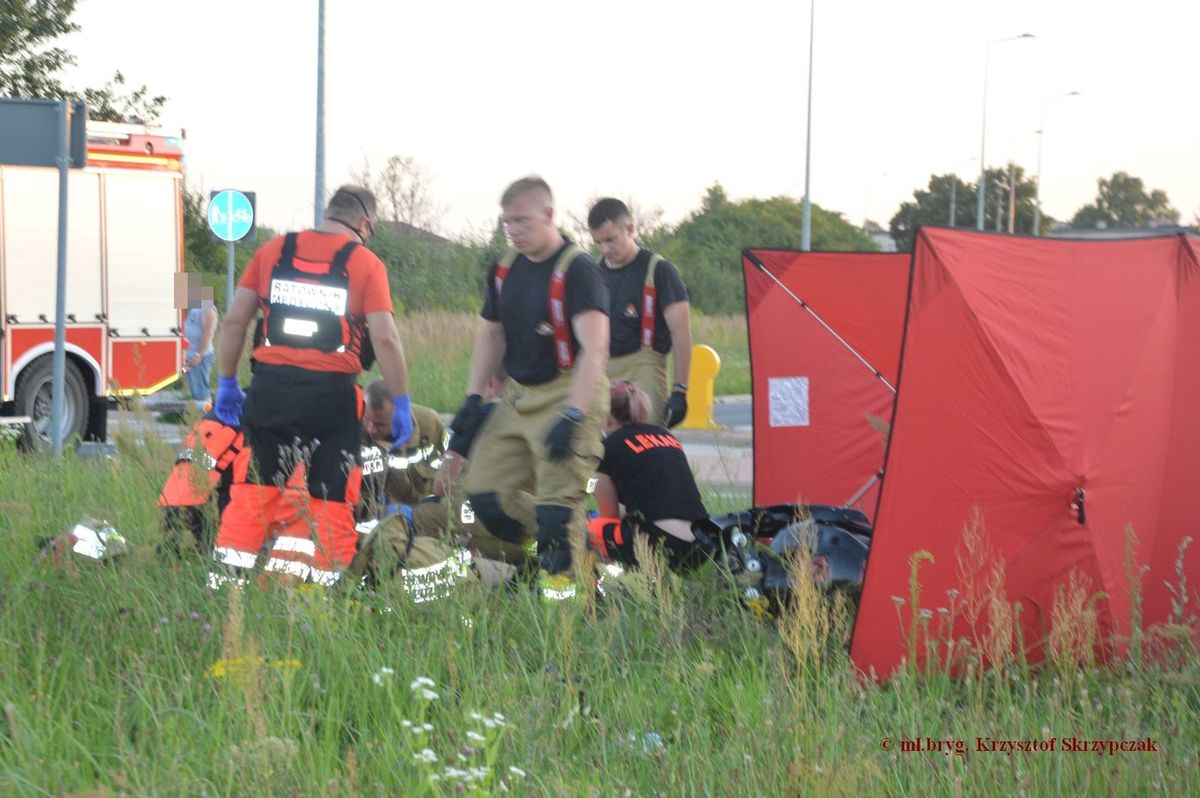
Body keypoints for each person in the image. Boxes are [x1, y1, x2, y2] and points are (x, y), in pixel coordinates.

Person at [208, 185, 413, 588]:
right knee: (329, 499)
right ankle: (318, 589)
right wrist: (401, 399)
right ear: (365, 224)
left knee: (254, 491)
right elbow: (385, 339)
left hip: (269, 393)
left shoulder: (272, 252)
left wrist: (228, 382)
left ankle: (228, 583)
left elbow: (235, 321)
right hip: (332, 397)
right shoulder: (365, 263)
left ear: (328, 214)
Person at [451, 177, 610, 599]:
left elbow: (595, 350)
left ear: (549, 215)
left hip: (570, 393)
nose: (514, 231)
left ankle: (567, 611)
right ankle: (578, 546)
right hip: (519, 397)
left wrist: (574, 415)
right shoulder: (505, 269)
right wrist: (472, 398)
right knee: (485, 496)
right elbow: (491, 336)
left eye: (522, 221)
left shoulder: (578, 269)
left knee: (557, 513)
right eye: (507, 223)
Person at [589, 380, 719, 572]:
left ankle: (607, 593)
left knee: (585, 528)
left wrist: (588, 482)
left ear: (606, 417)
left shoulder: (606, 448)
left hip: (661, 544)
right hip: (702, 544)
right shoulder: (666, 436)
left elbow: (610, 515)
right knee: (627, 526)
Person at [588, 198, 693, 427]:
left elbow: (681, 334)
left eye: (610, 239)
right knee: (601, 454)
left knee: (646, 447)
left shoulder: (659, 271)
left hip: (644, 369)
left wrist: (680, 390)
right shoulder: (593, 275)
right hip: (602, 372)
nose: (605, 249)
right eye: (598, 242)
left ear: (630, 228)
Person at [176, 273, 219, 412]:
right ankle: (200, 422)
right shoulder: (194, 308)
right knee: (196, 392)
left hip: (200, 358)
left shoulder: (207, 308)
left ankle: (207, 423)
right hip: (192, 358)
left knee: (201, 393)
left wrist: (198, 355)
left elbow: (208, 333)